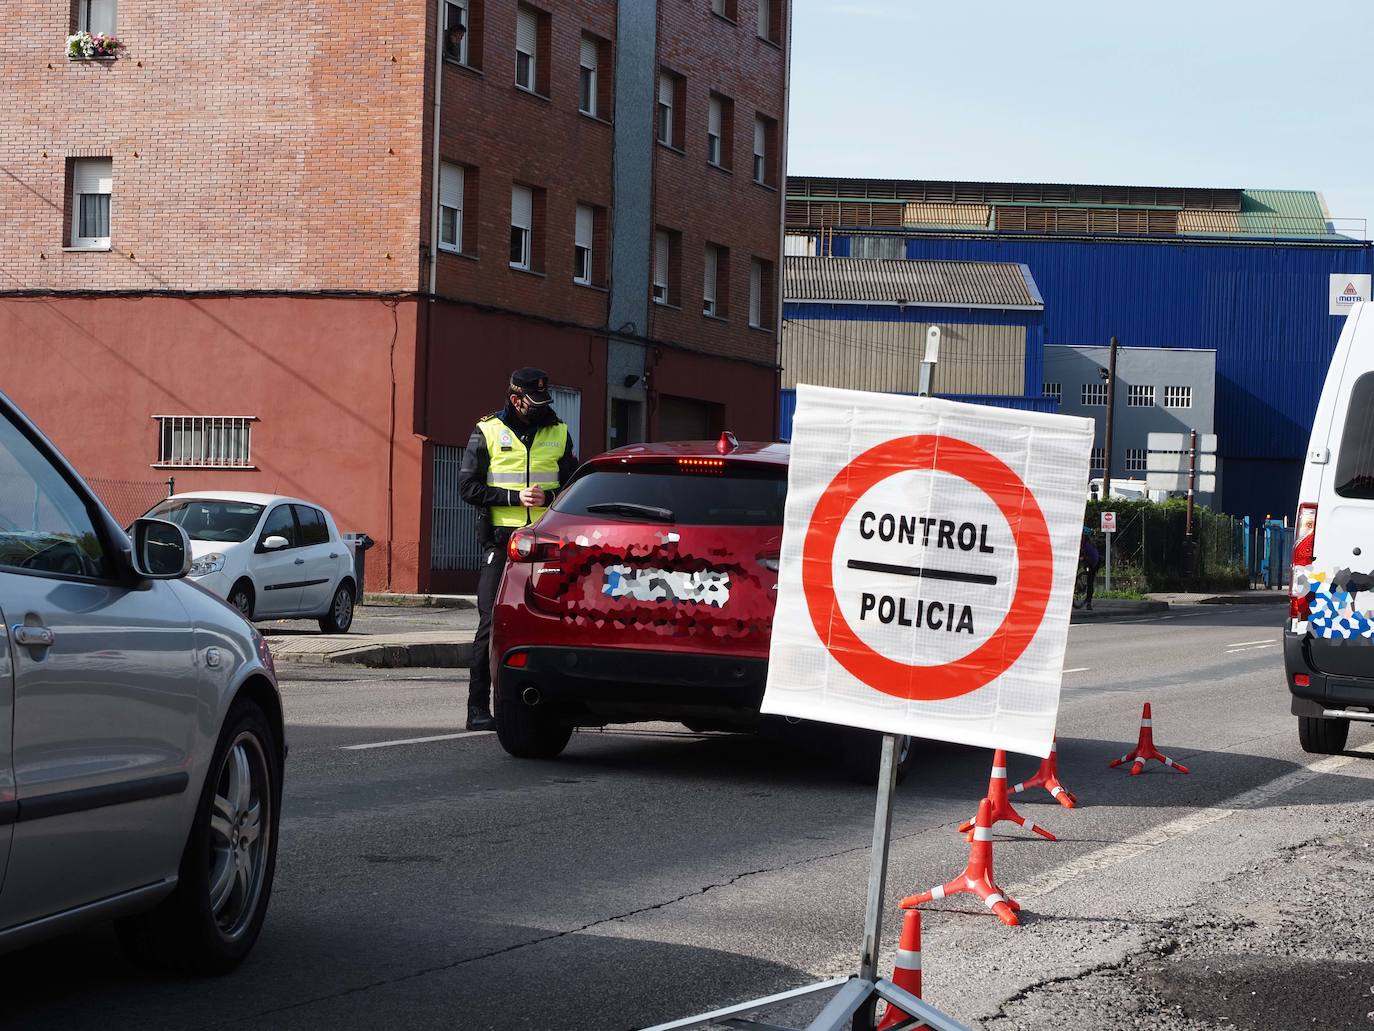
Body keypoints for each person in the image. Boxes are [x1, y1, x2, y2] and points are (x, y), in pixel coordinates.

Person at [458, 368, 579, 731]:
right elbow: (467, 487)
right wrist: (513, 497)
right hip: (503, 541)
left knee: (559, 622)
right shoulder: (488, 431)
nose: (542, 408)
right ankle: (478, 708)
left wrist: (554, 496)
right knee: (491, 622)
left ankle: (561, 704)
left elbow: (576, 483)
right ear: (515, 400)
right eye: (534, 402)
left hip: (547, 542)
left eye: (545, 401)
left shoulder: (558, 431)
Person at [1079, 527, 1102, 610]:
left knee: (1090, 581)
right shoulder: (1081, 542)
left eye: (1082, 536)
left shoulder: (1088, 546)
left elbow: (1093, 558)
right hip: (1086, 559)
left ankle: (1089, 602)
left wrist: (1083, 558)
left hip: (1094, 562)